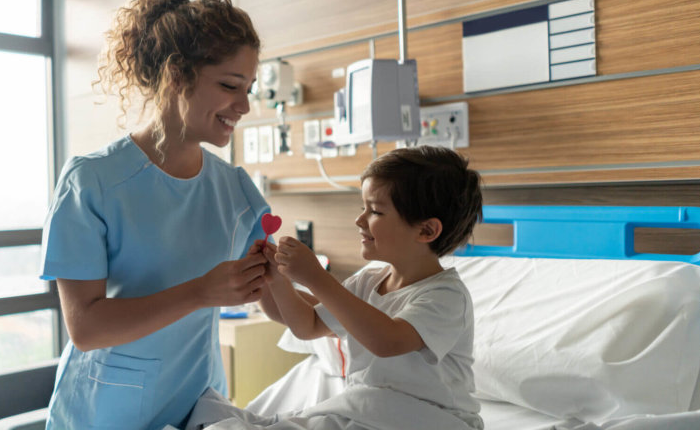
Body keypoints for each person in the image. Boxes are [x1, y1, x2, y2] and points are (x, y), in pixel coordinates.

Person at [38, 0, 270, 429]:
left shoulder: (237, 192)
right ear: (177, 76)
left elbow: (277, 300)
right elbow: (85, 327)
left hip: (198, 407)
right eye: (229, 86)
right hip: (104, 413)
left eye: (249, 90)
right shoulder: (93, 183)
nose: (244, 106)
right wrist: (202, 291)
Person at [186, 146, 485, 430]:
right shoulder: (369, 282)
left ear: (426, 230)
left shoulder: (446, 296)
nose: (359, 220)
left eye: (375, 212)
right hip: (371, 414)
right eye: (362, 208)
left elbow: (387, 341)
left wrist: (317, 277)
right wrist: (273, 280)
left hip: (431, 421)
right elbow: (308, 324)